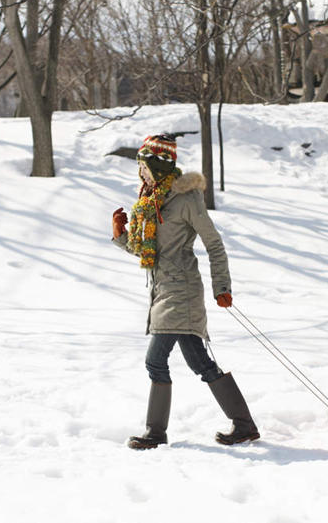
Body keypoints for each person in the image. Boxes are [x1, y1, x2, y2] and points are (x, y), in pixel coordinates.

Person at [111, 134, 260, 450]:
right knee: (201, 364)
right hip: (162, 291)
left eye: (145, 168)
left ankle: (155, 433)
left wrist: (222, 287)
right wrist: (121, 235)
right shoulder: (151, 202)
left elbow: (214, 244)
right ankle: (244, 426)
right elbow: (148, 251)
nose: (141, 174)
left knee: (155, 360)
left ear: (159, 167)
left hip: (182, 292)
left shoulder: (186, 199)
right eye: (139, 169)